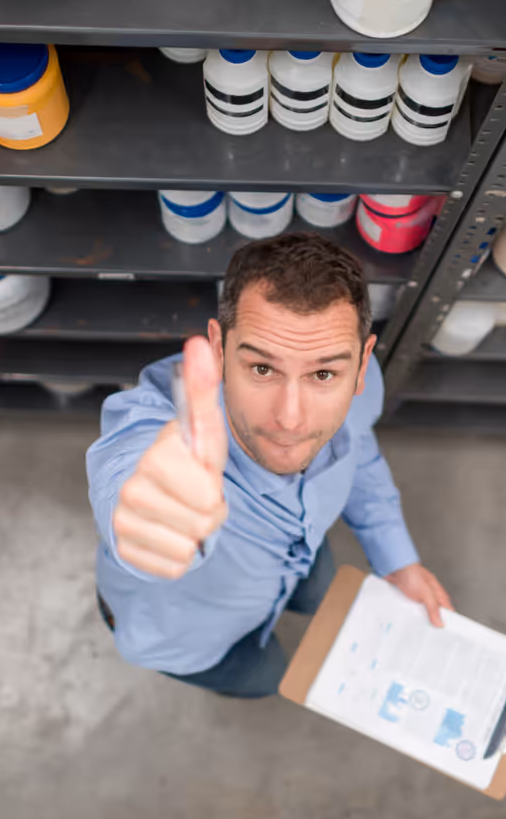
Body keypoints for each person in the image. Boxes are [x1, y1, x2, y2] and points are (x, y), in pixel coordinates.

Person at [86, 232, 451, 698]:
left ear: (361, 365)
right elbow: (126, 464)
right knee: (267, 676)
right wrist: (146, 520)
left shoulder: (363, 387)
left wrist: (396, 559)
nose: (291, 419)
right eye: (262, 369)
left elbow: (360, 452)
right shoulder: (164, 417)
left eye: (323, 374)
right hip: (185, 636)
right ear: (219, 349)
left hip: (299, 557)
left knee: (320, 589)